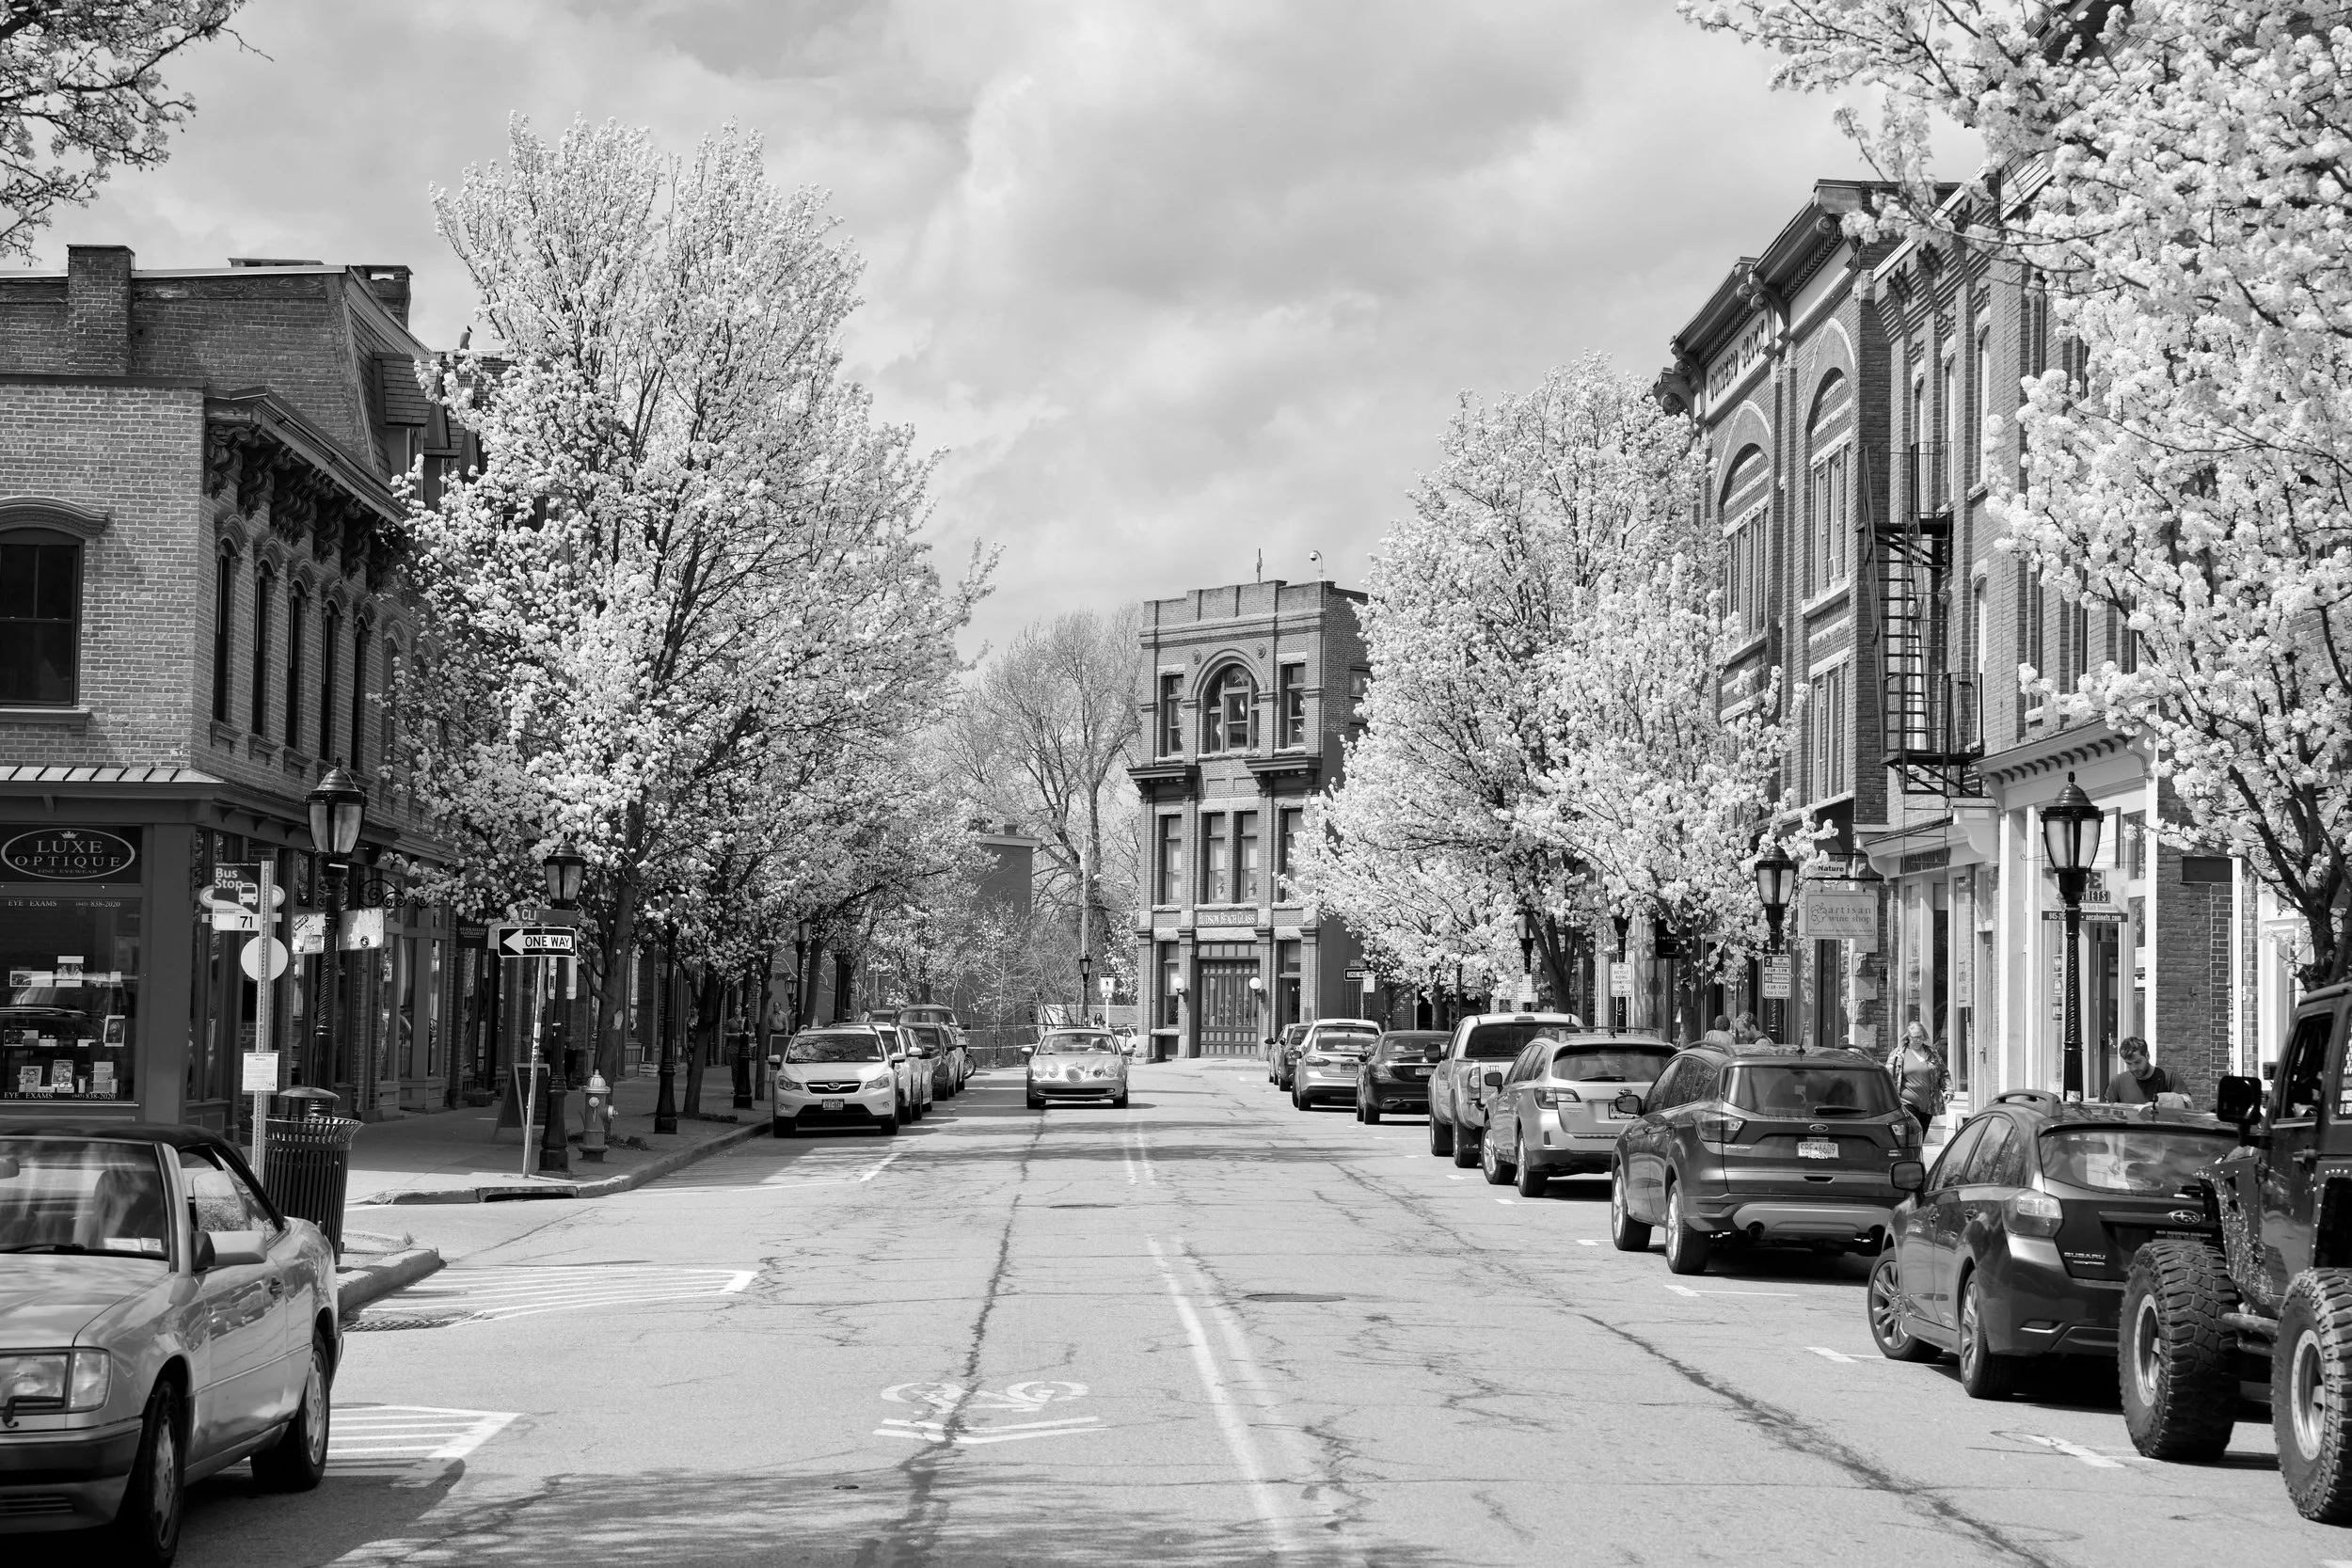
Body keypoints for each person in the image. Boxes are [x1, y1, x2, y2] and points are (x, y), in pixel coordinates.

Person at [1889, 1021, 1947, 1134]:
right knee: (1912, 1135)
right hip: (1907, 1103)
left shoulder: (1932, 1053)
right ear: (1908, 1037)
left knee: (1921, 1136)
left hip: (1928, 1105)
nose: (1918, 1040)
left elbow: (1943, 1072)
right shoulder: (1898, 1054)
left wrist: (1947, 1090)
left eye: (1921, 1037)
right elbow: (1889, 1077)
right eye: (1915, 1037)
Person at [2105, 1037, 2173, 1104]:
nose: (2133, 1068)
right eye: (2129, 1063)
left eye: (2137, 1062)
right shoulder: (2117, 1082)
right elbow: (2108, 1110)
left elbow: (2179, 1107)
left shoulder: (2170, 1078)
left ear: (2147, 1055)